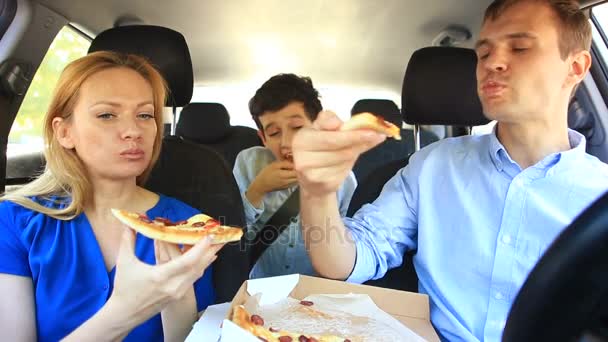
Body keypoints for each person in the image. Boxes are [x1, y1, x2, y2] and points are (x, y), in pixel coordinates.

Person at [291, 0, 608, 340]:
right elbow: (345, 261)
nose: (493, 63)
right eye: (483, 54)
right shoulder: (431, 167)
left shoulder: (600, 196)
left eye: (520, 47)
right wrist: (318, 194)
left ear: (576, 67)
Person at [0, 51, 224, 342]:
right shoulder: (15, 222)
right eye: (107, 115)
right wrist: (125, 312)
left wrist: (176, 299)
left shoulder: (189, 225)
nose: (133, 131)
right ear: (65, 131)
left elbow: (190, 336)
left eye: (145, 115)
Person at [233, 73, 357, 279]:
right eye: (273, 133)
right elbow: (233, 234)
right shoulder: (249, 163)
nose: (286, 142)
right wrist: (258, 189)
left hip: (315, 289)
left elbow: (344, 243)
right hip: (260, 285)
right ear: (263, 138)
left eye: (297, 128)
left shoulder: (342, 179)